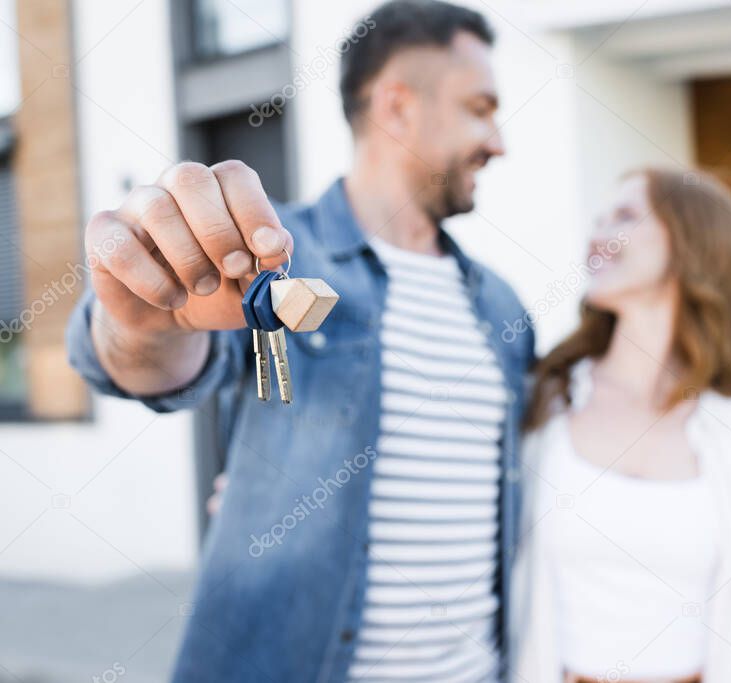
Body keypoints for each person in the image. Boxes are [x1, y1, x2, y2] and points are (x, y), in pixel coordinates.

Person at [65, 2, 533, 681]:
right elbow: (152, 362)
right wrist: (141, 323)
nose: (497, 140)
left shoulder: (501, 305)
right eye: (479, 107)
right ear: (397, 107)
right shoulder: (272, 256)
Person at [510, 168, 731, 683]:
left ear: (692, 243)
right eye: (599, 219)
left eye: (624, 217)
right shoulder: (543, 406)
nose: (597, 235)